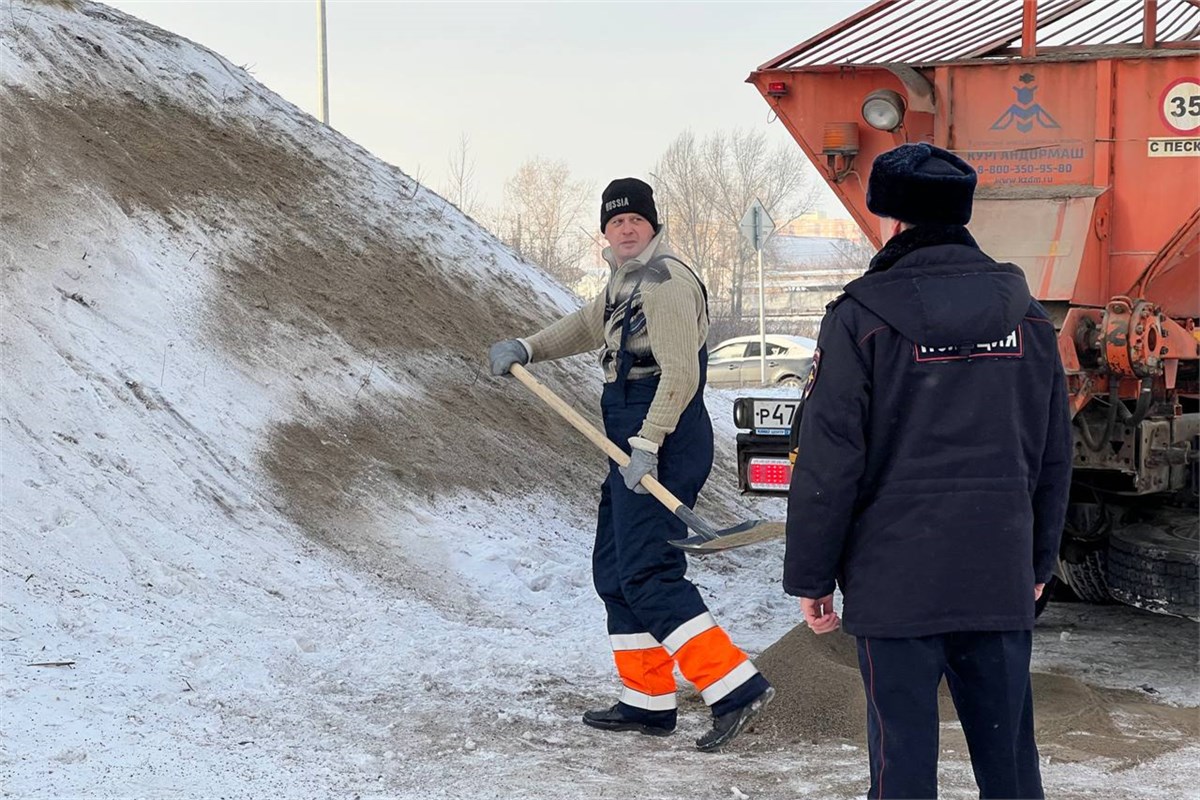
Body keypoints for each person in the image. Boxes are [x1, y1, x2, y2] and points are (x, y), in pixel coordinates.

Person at [784, 143, 1072, 798]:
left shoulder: (861, 320)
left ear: (891, 219)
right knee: (1010, 765)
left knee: (903, 765)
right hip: (997, 576)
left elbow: (830, 458)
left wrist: (812, 573)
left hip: (895, 586)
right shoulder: (1028, 319)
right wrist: (1037, 563)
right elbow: (1055, 453)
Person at [489, 177, 773, 752]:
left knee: (647, 573)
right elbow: (588, 324)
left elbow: (681, 374)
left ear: (652, 224)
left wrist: (648, 443)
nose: (625, 227)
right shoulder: (627, 278)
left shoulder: (665, 280)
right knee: (615, 567)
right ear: (605, 230)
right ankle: (647, 701)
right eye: (615, 220)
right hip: (632, 435)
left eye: (635, 220)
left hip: (660, 435)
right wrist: (528, 347)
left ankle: (736, 688)